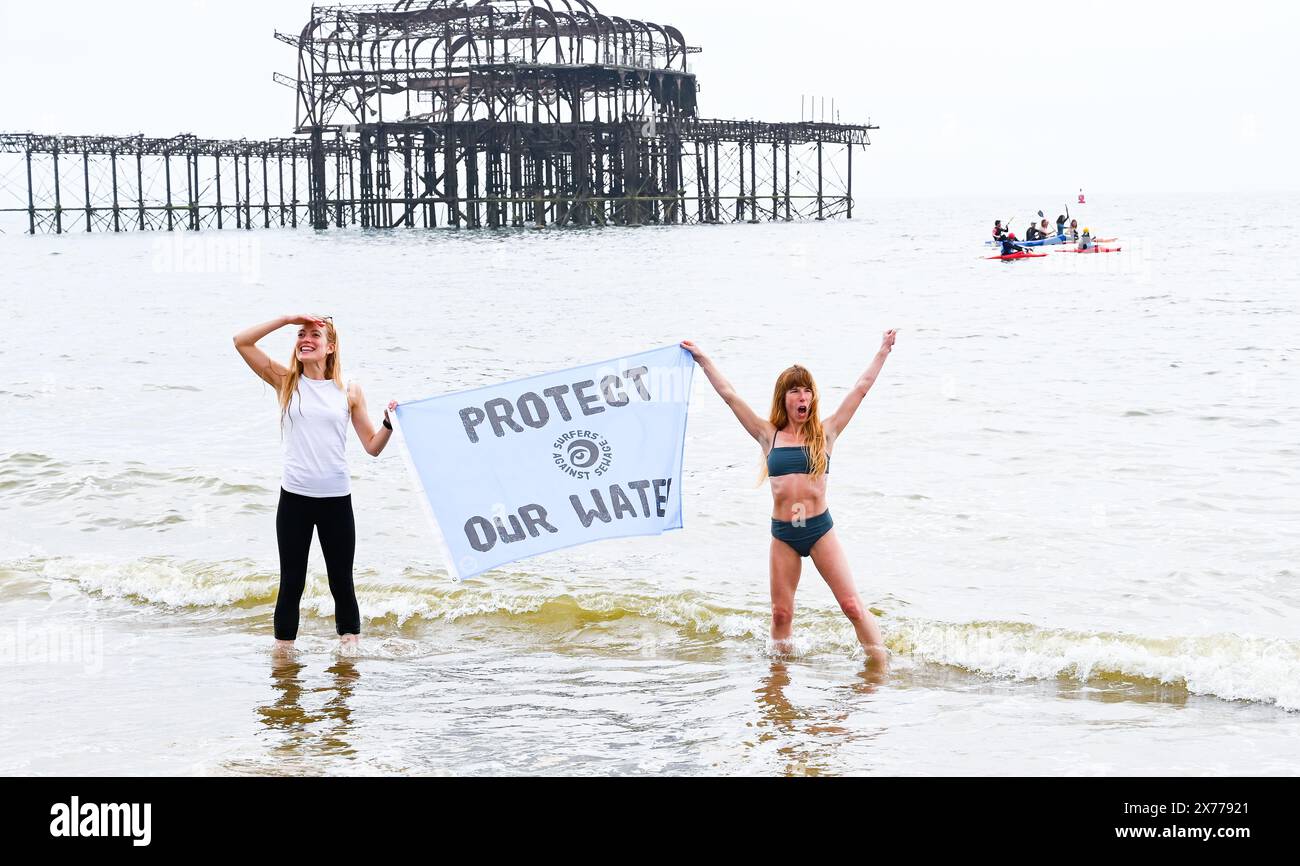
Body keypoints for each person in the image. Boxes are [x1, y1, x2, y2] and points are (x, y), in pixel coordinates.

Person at [680, 333, 897, 672]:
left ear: (813, 398)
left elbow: (861, 388)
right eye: (795, 390)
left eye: (807, 390)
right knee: (781, 614)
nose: (802, 396)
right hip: (784, 535)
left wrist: (882, 351)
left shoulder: (827, 433)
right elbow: (729, 396)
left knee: (852, 605)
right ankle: (778, 680)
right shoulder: (768, 435)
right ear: (784, 398)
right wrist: (703, 359)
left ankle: (881, 669)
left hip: (820, 531)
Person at [233, 314, 398, 653]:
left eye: (315, 335)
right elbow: (241, 341)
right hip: (294, 498)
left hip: (336, 499)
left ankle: (349, 654)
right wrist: (287, 319)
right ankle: (283, 660)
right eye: (300, 334)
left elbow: (372, 446)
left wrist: (388, 424)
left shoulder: (349, 389)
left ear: (330, 347)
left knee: (342, 582)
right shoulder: (287, 381)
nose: (306, 339)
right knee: (291, 582)